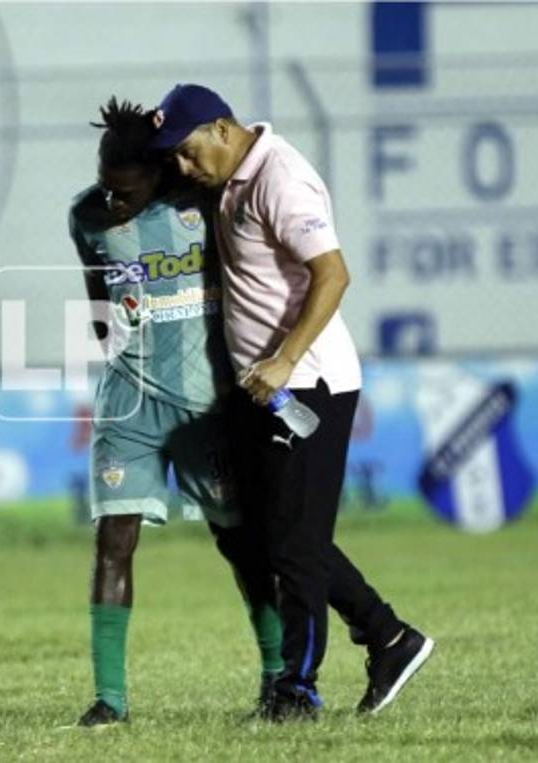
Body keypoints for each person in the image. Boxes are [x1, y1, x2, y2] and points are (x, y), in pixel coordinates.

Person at [150, 84, 435, 721]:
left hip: (306, 384)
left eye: (190, 152)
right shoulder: (225, 177)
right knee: (277, 536)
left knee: (295, 549)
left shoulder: (281, 177)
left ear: (223, 128)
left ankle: (296, 694)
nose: (184, 168)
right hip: (262, 390)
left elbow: (333, 274)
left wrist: (282, 358)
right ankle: (389, 638)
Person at [67, 97, 283, 727]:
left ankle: (277, 680)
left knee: (240, 544)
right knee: (113, 541)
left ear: (157, 175)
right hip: (128, 407)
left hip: (206, 409)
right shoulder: (86, 216)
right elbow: (96, 294)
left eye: (125, 190)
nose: (113, 201)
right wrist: (118, 345)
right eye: (106, 187)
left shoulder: (203, 202)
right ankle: (110, 700)